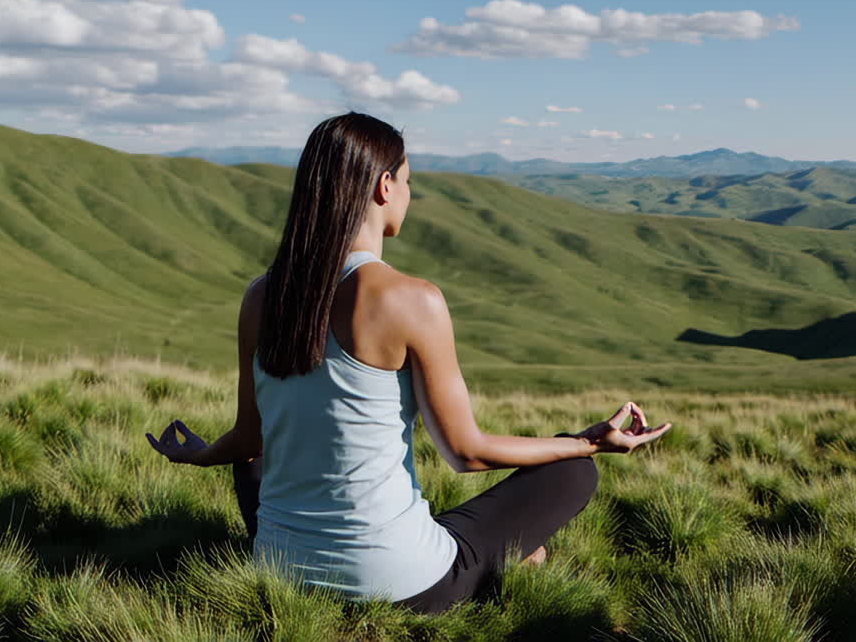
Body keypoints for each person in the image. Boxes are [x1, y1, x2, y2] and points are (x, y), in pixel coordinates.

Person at [145, 111, 671, 613]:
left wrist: (197, 454)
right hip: (403, 586)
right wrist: (586, 443)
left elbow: (248, 441)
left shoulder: (262, 297)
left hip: (279, 567)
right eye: (409, 181)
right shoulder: (410, 299)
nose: (409, 194)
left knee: (256, 462)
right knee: (573, 474)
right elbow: (466, 454)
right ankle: (504, 556)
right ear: (384, 186)